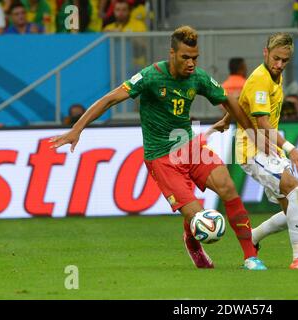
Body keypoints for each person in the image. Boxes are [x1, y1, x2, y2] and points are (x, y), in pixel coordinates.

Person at [50, 25, 267, 271]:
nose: (191, 63)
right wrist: (77, 129)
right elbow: (110, 98)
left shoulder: (198, 78)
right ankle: (192, 241)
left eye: (195, 58)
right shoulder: (151, 76)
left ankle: (251, 257)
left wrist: (253, 133)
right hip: (161, 158)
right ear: (172, 53)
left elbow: (229, 101)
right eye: (185, 57)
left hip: (190, 148)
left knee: (228, 187)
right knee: (198, 217)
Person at [210, 33, 298, 270]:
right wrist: (291, 148)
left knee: (292, 207)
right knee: (296, 191)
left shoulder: (272, 75)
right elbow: (264, 124)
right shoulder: (260, 78)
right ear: (265, 52)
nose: (279, 64)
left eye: (285, 60)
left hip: (267, 148)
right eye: (276, 58)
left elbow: (242, 99)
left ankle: (253, 238)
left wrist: (227, 119)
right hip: (253, 150)